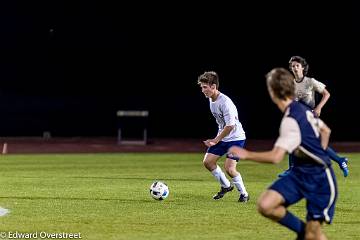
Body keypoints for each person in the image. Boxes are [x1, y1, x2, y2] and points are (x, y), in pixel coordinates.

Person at [228, 67, 337, 240]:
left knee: (314, 235)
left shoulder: (290, 120)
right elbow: (326, 131)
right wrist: (318, 151)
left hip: (320, 179)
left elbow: (276, 157)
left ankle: (308, 233)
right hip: (300, 173)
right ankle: (303, 232)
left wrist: (246, 154)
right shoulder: (302, 109)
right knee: (266, 205)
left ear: (273, 91)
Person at [278, 55, 349, 178]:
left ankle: (293, 169)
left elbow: (327, 94)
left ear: (303, 67)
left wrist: (319, 107)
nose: (295, 68)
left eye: (297, 66)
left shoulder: (310, 82)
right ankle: (340, 160)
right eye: (293, 66)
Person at [197, 71, 249, 202]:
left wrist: (215, 140)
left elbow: (230, 126)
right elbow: (222, 124)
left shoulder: (225, 102)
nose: (202, 90)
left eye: (205, 87)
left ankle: (244, 194)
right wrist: (218, 139)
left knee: (230, 169)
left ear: (213, 86)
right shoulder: (211, 99)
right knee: (208, 162)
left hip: (236, 139)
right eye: (201, 87)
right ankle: (226, 186)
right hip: (223, 137)